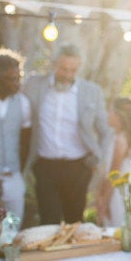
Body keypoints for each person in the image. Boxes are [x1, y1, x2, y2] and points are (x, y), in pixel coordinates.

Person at [23, 43, 113, 224]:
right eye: (64, 69)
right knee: (49, 221)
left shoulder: (91, 91)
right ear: (54, 64)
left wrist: (98, 157)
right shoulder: (34, 85)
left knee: (75, 222)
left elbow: (106, 131)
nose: (68, 75)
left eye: (73, 70)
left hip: (78, 166)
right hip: (45, 166)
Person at [0, 48, 31, 221]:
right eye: (12, 79)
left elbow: (26, 142)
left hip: (14, 178)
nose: (17, 84)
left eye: (19, 77)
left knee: (14, 227)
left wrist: (18, 170)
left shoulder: (23, 103)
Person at [96, 97, 131, 227]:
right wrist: (99, 196)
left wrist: (104, 203)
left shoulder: (121, 140)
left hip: (121, 196)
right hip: (116, 193)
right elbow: (106, 171)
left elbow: (114, 174)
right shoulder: (115, 137)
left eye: (110, 111)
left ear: (119, 115)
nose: (108, 114)